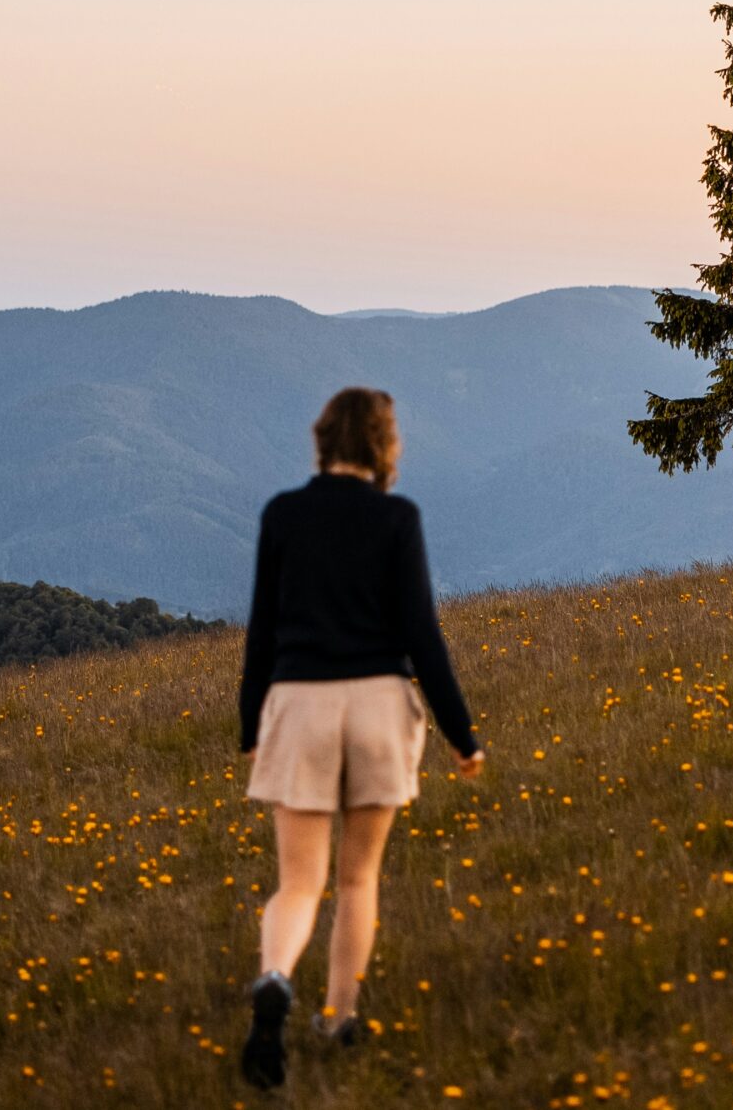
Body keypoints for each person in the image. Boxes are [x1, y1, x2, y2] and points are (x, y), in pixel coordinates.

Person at [235, 386, 484, 1091]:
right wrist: (462, 735)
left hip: (300, 702)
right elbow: (422, 636)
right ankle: (338, 1018)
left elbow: (261, 631)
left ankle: (276, 978)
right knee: (357, 877)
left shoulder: (283, 514)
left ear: (322, 439)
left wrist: (252, 723)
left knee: (298, 881)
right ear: (382, 444)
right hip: (378, 704)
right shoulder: (396, 517)